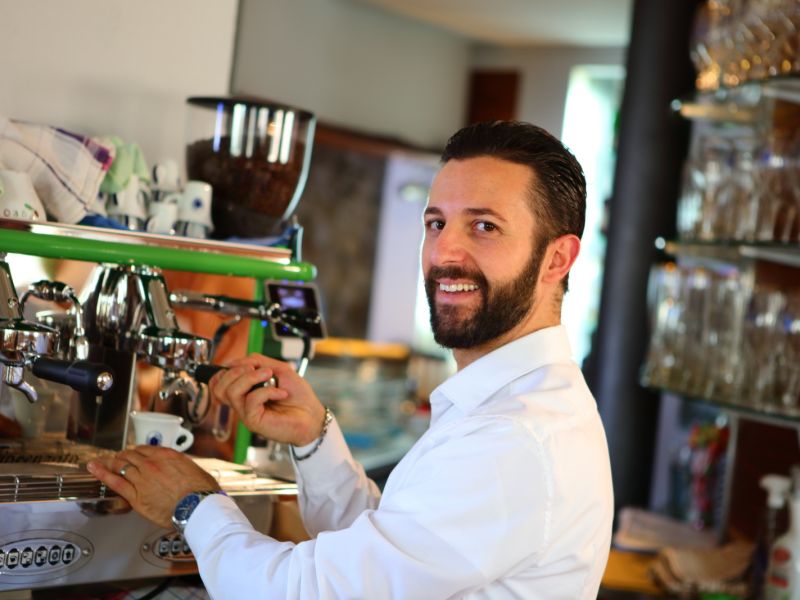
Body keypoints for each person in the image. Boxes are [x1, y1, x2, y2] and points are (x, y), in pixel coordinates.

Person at [88, 120, 614, 599]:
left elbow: (306, 593)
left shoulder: (512, 438)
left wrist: (194, 504)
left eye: (484, 227)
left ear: (557, 258)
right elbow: (389, 557)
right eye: (436, 224)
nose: (443, 253)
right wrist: (313, 437)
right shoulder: (512, 407)